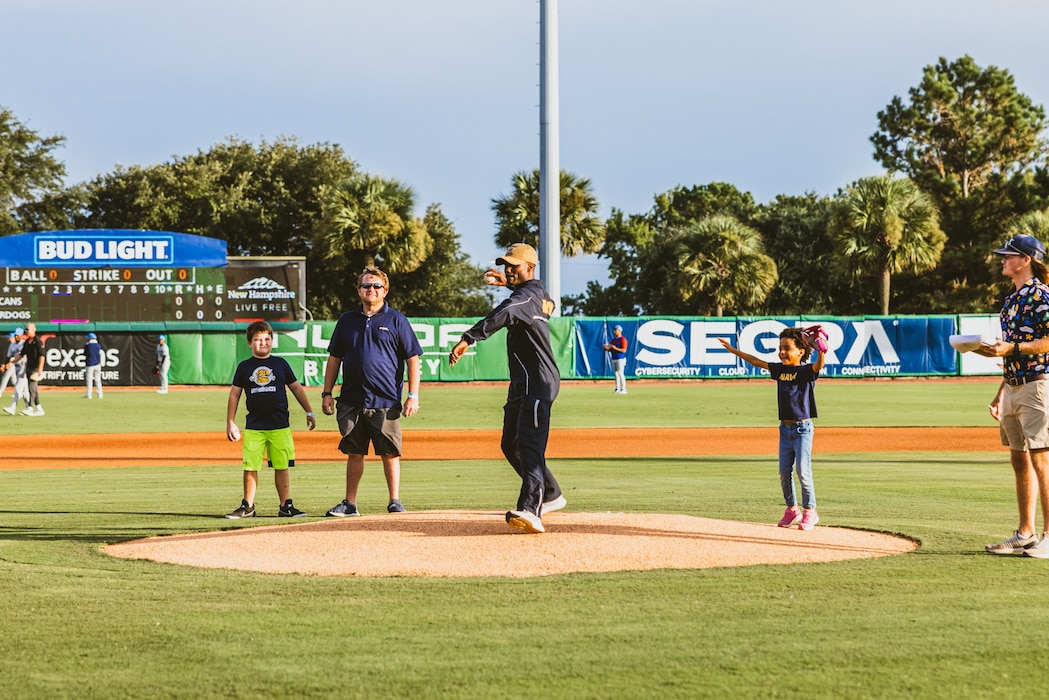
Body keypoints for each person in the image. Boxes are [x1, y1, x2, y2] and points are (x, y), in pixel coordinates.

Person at [449, 243, 567, 534]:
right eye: (506, 265)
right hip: (523, 384)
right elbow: (546, 305)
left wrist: (469, 337)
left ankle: (531, 509)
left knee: (530, 444)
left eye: (514, 265)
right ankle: (551, 493)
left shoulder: (523, 298)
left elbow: (505, 312)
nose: (508, 269)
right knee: (510, 444)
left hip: (537, 382)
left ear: (530, 266)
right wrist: (508, 284)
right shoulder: (537, 294)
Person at [321, 267, 422, 517]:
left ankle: (395, 501)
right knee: (354, 453)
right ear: (359, 290)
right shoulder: (347, 320)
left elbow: (412, 359)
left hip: (386, 400)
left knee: (389, 453)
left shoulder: (396, 320)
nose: (371, 290)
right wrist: (326, 393)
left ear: (385, 290)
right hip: (352, 400)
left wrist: (413, 395)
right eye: (367, 285)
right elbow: (334, 358)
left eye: (377, 286)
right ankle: (350, 504)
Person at [978, 234, 1049, 556]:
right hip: (1013, 384)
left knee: (1042, 458)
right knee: (1019, 459)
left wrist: (1014, 348)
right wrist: (1000, 391)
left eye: (1009, 255)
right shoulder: (1010, 300)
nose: (1003, 259)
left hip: (1037, 384)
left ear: (1026, 260)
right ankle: (1025, 532)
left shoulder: (1042, 295)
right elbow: (1010, 352)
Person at [718, 326, 825, 531]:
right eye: (780, 348)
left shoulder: (805, 371)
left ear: (801, 351)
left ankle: (810, 511)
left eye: (787, 348)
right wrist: (733, 350)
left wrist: (822, 350)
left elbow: (818, 366)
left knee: (803, 471)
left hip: (802, 429)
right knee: (784, 472)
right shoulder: (780, 370)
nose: (782, 352)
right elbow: (757, 361)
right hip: (784, 430)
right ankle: (792, 510)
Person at [225, 321, 316, 519]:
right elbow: (234, 395)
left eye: (266, 339)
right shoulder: (244, 367)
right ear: (249, 343)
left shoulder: (280, 364)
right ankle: (247, 506)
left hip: (280, 425)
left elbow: (296, 388)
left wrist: (309, 411)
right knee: (250, 466)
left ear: (272, 341)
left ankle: (286, 505)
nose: (262, 343)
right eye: (257, 340)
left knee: (282, 466)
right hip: (255, 426)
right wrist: (230, 422)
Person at [7, 323, 45, 417]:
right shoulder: (27, 342)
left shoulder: (37, 341)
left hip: (35, 368)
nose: (26, 331)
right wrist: (12, 361)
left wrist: (40, 369)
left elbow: (42, 356)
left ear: (34, 330)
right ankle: (39, 409)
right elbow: (21, 354)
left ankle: (30, 408)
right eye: (26, 329)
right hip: (29, 367)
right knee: (33, 390)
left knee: (31, 389)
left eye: (28, 329)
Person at [604, 324, 629, 394]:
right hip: (614, 358)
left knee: (621, 373)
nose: (614, 331)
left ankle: (624, 389)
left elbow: (624, 350)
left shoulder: (623, 339)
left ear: (619, 331)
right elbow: (611, 349)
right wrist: (607, 348)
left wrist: (615, 348)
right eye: (614, 330)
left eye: (615, 330)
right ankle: (617, 388)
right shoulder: (613, 340)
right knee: (616, 374)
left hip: (620, 358)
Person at [84, 332, 103, 399]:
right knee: (98, 380)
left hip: (90, 364)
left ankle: (89, 395)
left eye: (89, 338)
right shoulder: (98, 345)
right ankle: (100, 394)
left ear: (91, 338)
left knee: (89, 380)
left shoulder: (88, 345)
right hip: (97, 364)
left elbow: (85, 353)